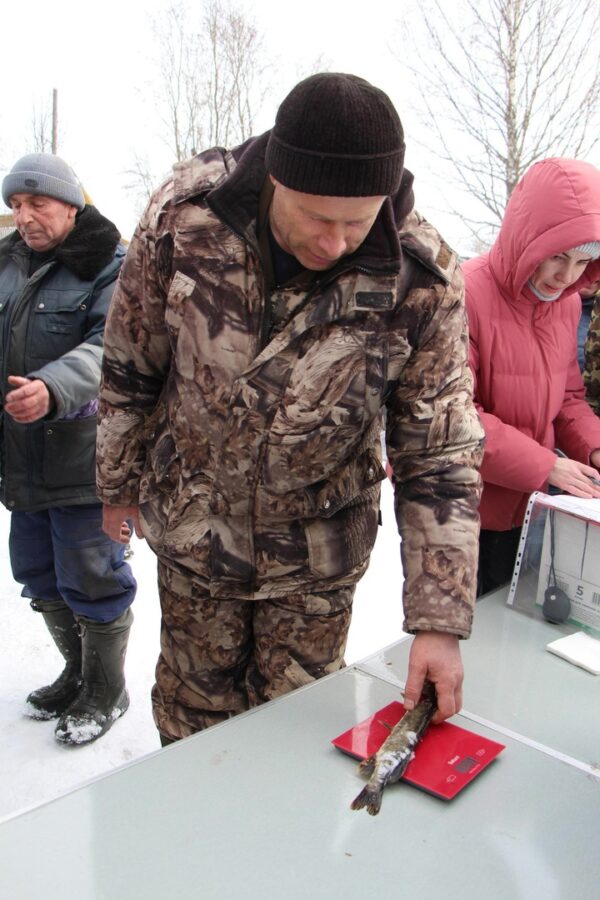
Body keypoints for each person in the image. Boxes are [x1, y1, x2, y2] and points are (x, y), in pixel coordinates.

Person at [97, 73, 484, 745]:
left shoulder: (420, 279)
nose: (334, 243)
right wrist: (116, 485)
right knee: (192, 729)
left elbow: (441, 455)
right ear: (276, 176)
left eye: (357, 222)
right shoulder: (186, 220)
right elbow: (131, 363)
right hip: (195, 537)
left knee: (295, 741)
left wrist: (438, 621)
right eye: (315, 216)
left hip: (317, 562)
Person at [0, 153, 137, 744]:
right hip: (21, 457)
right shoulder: (6, 262)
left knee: (92, 576)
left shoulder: (109, 265)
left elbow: (112, 348)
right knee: (36, 570)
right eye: (16, 205)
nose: (25, 216)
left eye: (38, 204)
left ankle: (107, 690)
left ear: (72, 206)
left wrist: (52, 388)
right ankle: (77, 673)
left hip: (84, 458)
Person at [463, 158, 600, 596]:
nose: (568, 276)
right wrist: (546, 465)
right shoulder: (463, 292)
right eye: (558, 256)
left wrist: (594, 448)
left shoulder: (566, 303)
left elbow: (568, 397)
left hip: (529, 507)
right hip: (459, 508)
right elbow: (454, 415)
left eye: (583, 262)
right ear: (527, 237)